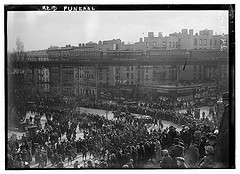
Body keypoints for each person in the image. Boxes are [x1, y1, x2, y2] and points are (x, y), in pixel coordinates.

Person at [214, 92, 230, 168]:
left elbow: (224, 128)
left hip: (225, 140)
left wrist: (219, 137)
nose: (223, 103)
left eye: (224, 101)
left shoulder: (228, 110)